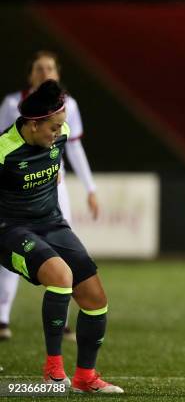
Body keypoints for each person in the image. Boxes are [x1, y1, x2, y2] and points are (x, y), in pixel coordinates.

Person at [0, 80, 122, 393]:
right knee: (61, 276)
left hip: (53, 225)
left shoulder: (61, 135)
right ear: (32, 123)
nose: (59, 133)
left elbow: (54, 169)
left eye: (61, 126)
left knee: (95, 299)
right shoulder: (4, 151)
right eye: (53, 128)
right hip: (11, 230)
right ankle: (53, 370)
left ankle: (85, 377)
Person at [0, 50, 99, 342]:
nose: (45, 74)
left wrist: (90, 188)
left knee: (64, 249)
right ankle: (2, 317)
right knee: (13, 250)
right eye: (39, 69)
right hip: (15, 188)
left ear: (57, 73)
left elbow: (74, 146)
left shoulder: (69, 106)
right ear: (31, 74)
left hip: (52, 187)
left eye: (50, 69)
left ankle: (64, 320)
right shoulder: (11, 103)